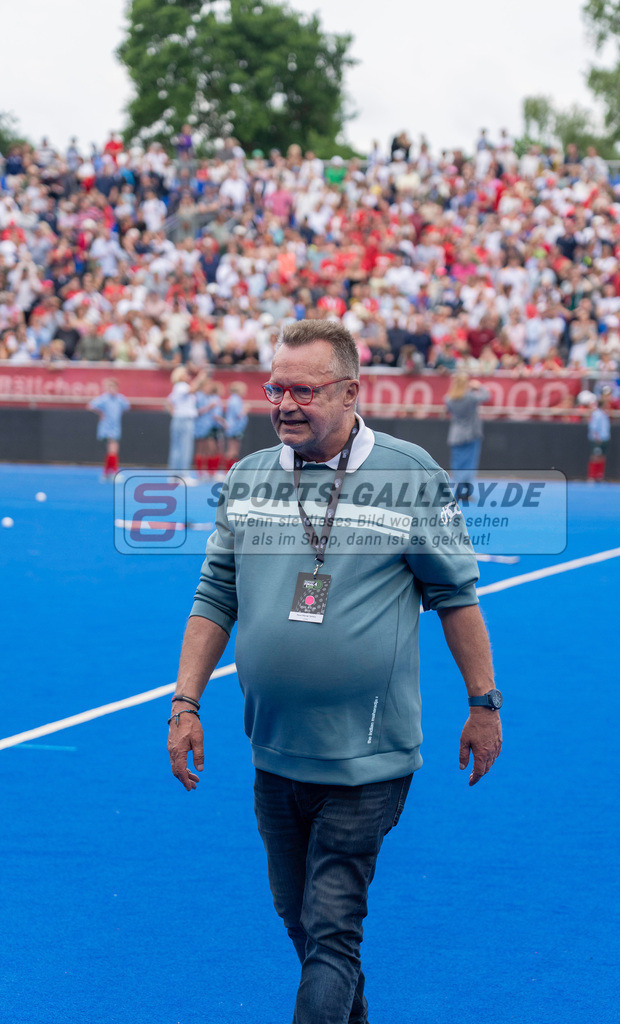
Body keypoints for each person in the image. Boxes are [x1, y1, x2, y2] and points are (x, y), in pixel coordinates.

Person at [166, 319, 502, 1024]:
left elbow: (455, 599)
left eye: (303, 389)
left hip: (366, 760)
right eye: (274, 387)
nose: (284, 402)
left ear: (351, 391)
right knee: (303, 925)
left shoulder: (409, 475)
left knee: (330, 929)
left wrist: (483, 704)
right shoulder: (247, 477)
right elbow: (215, 595)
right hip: (274, 752)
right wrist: (184, 705)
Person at [444, 372, 490, 496]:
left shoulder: (448, 398)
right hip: (471, 434)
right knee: (469, 463)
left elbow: (447, 411)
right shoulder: (470, 397)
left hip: (456, 434)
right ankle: (467, 490)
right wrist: (479, 386)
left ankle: (458, 488)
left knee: (457, 462)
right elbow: (486, 396)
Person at [166, 366, 206, 477]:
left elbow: (169, 401)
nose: (188, 376)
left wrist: (174, 411)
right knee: (184, 448)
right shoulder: (181, 386)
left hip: (179, 418)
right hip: (184, 420)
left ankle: (174, 475)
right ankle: (183, 475)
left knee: (177, 448)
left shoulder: (177, 387)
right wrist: (200, 377)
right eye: (185, 374)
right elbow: (192, 389)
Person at [87, 378, 130, 479]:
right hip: (107, 428)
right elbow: (90, 406)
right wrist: (101, 412)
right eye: (110, 387)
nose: (112, 389)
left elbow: (127, 407)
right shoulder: (104, 399)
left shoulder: (120, 399)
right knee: (113, 449)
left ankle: (106, 473)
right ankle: (114, 472)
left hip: (116, 427)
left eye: (114, 387)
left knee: (112, 450)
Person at [221, 380, 248, 472]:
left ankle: (230, 470)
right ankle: (228, 471)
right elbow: (238, 415)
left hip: (235, 428)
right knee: (232, 450)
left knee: (234, 450)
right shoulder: (235, 399)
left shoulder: (234, 399)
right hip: (234, 428)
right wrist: (245, 409)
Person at [587, 394, 611, 482]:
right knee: (595, 456)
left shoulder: (605, 414)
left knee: (602, 456)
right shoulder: (596, 414)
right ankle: (592, 476)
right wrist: (597, 437)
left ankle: (599, 475)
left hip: (604, 438)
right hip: (598, 439)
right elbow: (593, 427)